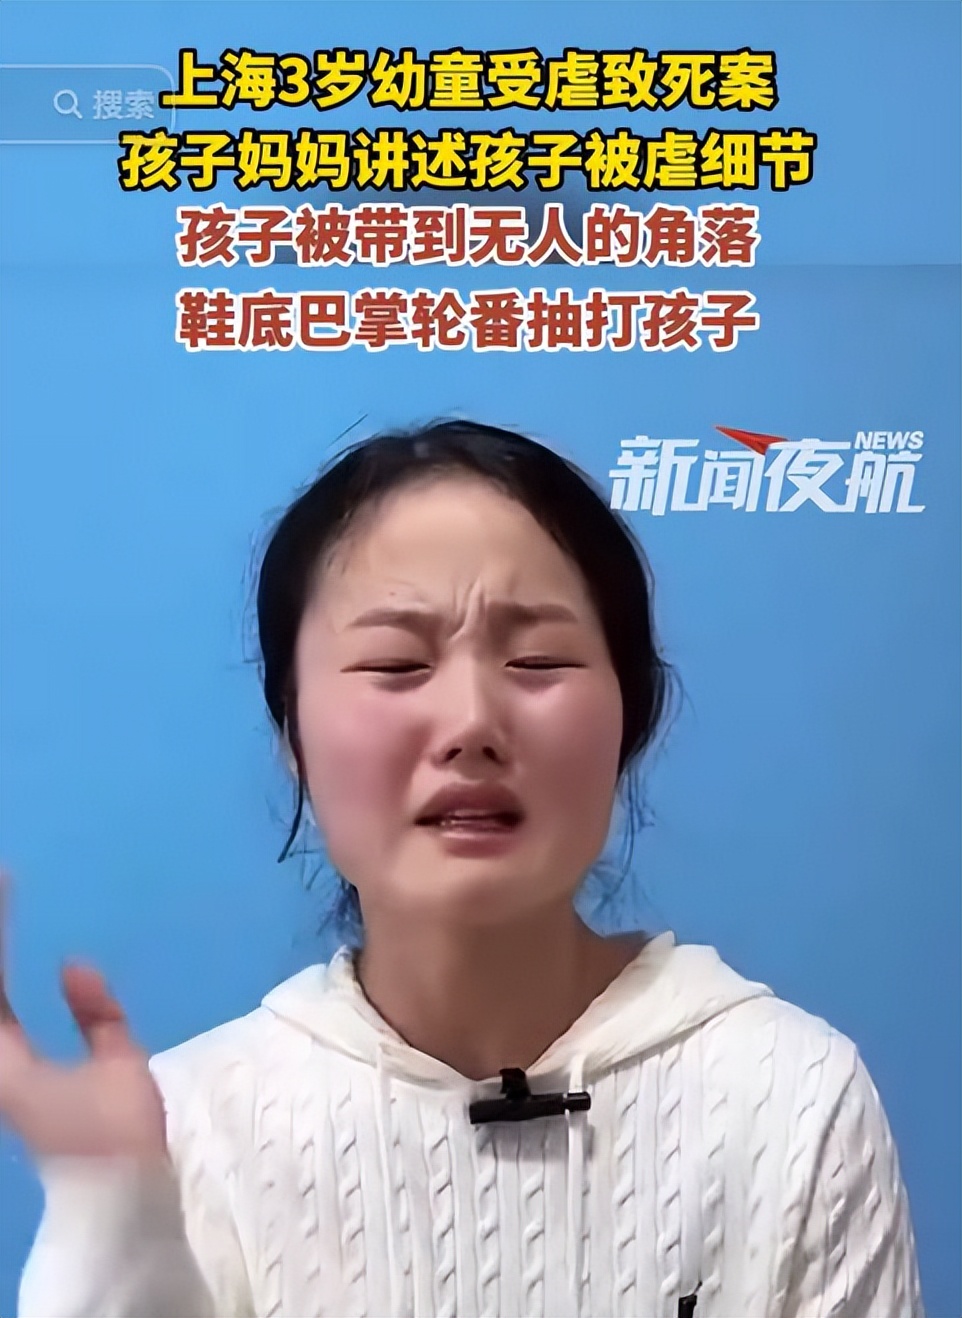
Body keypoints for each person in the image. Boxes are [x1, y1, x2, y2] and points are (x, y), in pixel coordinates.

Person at [2, 419, 923, 1318]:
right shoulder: (184, 1132)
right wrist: (113, 1236)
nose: (473, 721)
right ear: (292, 734)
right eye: (398, 664)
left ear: (629, 720)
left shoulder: (790, 1096)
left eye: (538, 659)